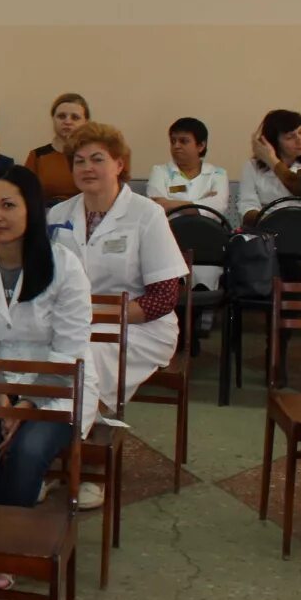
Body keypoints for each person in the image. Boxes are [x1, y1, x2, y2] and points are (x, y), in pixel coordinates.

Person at [0, 165, 92, 589]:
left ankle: (6, 552)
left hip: (56, 384)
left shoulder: (65, 265)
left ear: (32, 209)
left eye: (9, 205)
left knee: (28, 451)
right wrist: (2, 401)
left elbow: (69, 351)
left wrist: (26, 405)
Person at [49, 123, 184, 504]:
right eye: (79, 160)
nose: (87, 167)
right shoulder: (58, 215)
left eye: (97, 159)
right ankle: (54, 458)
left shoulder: (146, 215)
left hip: (141, 328)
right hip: (74, 325)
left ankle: (87, 467)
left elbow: (163, 297)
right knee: (40, 358)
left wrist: (98, 320)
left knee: (87, 361)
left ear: (119, 164)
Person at [240, 109, 301, 220]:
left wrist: (271, 160)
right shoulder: (252, 166)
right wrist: (271, 223)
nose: (300, 140)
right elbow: (247, 206)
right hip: (267, 228)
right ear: (273, 142)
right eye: (290, 137)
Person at [147, 117, 230, 216]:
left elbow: (217, 206)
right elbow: (157, 207)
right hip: (170, 230)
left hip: (207, 230)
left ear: (201, 146)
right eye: (173, 141)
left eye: (183, 141)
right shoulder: (159, 172)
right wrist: (201, 201)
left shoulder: (217, 174)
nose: (176, 146)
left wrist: (170, 204)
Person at [25, 93, 90, 205]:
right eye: (61, 116)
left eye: (75, 117)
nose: (67, 122)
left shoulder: (93, 157)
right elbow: (24, 195)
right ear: (53, 119)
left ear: (86, 122)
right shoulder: (37, 156)